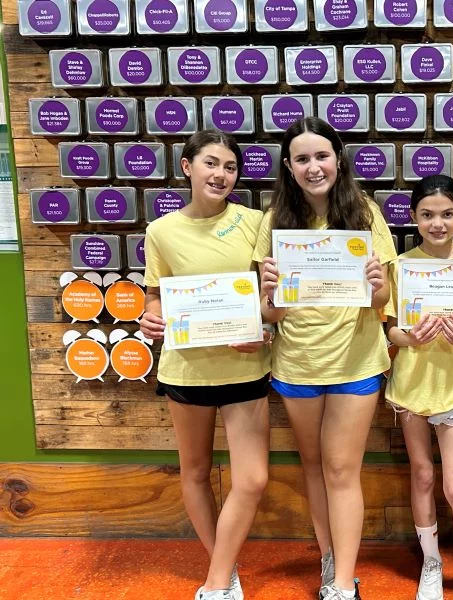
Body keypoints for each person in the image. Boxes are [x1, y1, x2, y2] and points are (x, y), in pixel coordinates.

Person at [255, 117, 396, 600]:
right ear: (289, 167)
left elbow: (384, 304)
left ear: (338, 158)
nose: (314, 167)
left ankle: (342, 583)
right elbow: (268, 311)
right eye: (302, 159)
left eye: (322, 156)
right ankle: (329, 557)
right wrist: (270, 294)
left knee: (341, 470)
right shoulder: (273, 220)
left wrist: (379, 288)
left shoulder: (366, 215)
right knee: (314, 466)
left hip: (356, 361)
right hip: (296, 363)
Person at [140, 129, 272, 600]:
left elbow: (268, 293)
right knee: (194, 472)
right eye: (211, 163)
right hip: (186, 370)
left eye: (230, 167)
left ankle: (217, 578)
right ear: (188, 166)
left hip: (245, 367)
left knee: (253, 478)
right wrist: (150, 319)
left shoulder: (256, 221)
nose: (220, 174)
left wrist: (261, 325)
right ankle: (223, 575)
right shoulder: (161, 231)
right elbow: (156, 295)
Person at [384, 175, 453, 600]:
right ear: (414, 217)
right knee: (423, 475)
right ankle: (431, 563)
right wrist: (411, 338)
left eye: (446, 214)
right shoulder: (401, 266)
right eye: (427, 215)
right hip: (410, 387)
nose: (437, 223)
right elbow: (390, 330)